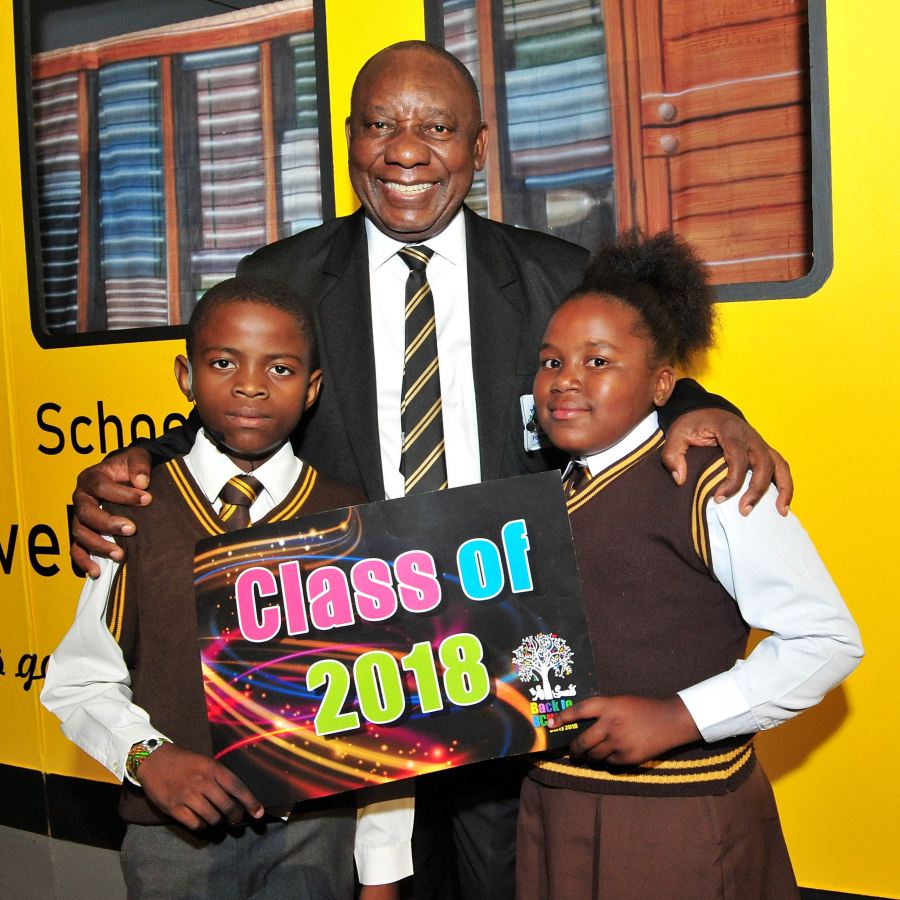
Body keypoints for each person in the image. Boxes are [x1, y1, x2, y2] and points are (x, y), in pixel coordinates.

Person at [67, 42, 793, 900]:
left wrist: (715, 417)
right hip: (346, 675)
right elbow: (230, 423)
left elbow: (642, 384)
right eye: (380, 125)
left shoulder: (554, 275)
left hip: (510, 659)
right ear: (348, 140)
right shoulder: (280, 277)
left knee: (510, 879)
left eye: (437, 127)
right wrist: (127, 474)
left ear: (479, 148)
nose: (405, 151)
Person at [518, 232, 863, 900]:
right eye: (551, 361)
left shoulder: (713, 481)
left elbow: (827, 640)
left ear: (662, 384)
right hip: (556, 804)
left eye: (598, 361)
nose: (566, 380)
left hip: (678, 813)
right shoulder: (537, 498)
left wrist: (681, 716)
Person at [42, 278, 408, 899]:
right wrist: (146, 757)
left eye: (282, 368)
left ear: (312, 388)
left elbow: (388, 703)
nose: (250, 384)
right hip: (172, 842)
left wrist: (380, 871)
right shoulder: (137, 513)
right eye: (223, 362)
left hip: (319, 836)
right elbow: (79, 681)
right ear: (186, 376)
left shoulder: (351, 517)